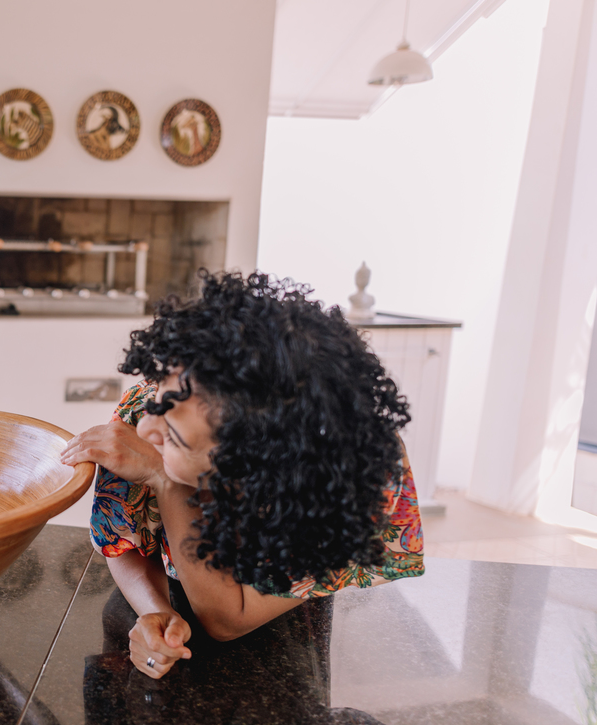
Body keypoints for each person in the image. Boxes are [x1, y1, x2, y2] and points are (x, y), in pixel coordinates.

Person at [61, 271, 423, 677]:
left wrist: (162, 477)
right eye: (158, 402)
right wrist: (158, 614)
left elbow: (230, 619)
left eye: (174, 438)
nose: (146, 432)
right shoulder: (167, 402)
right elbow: (124, 540)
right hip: (172, 587)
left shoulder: (348, 484)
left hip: (281, 631)